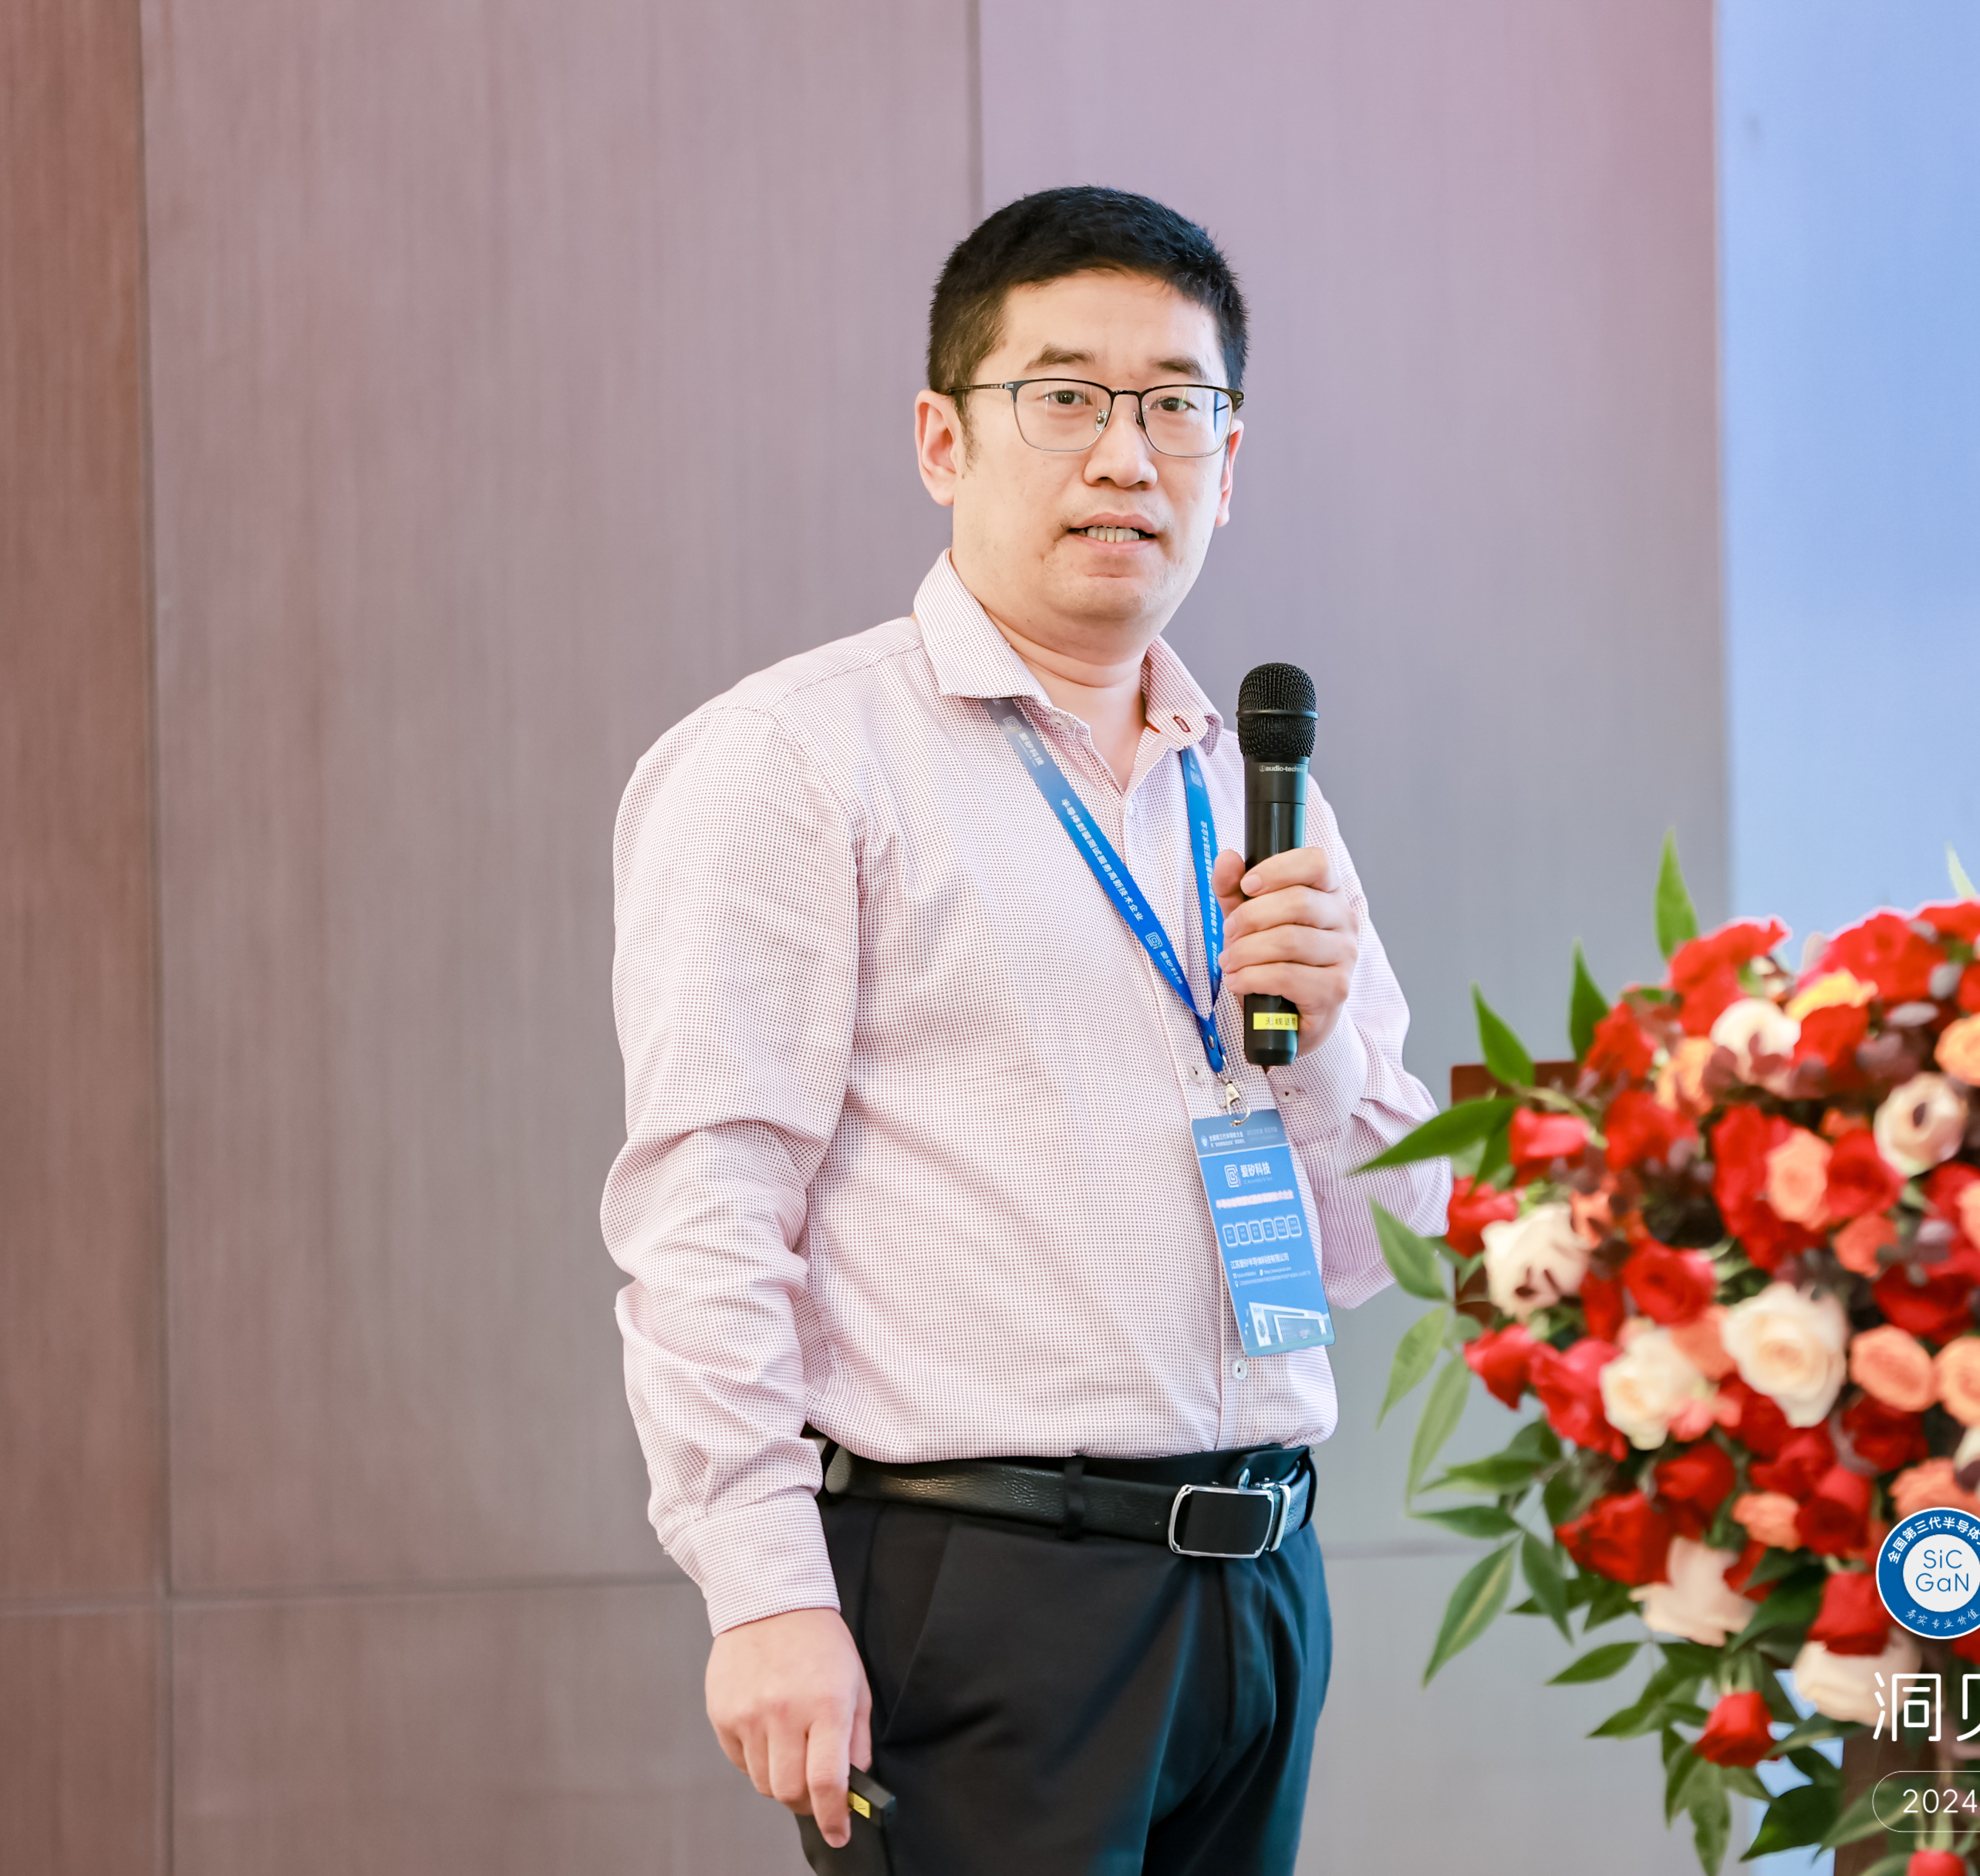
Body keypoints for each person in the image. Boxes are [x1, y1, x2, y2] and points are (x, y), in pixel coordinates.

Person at [602, 185, 1445, 1874]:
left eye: (1177, 407)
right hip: (985, 1590)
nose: (1127, 457)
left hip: (1261, 1578)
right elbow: (709, 1207)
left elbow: (1371, 1251)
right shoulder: (796, 760)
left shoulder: (1255, 783)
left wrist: (1333, 1051)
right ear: (943, 439)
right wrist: (762, 1589)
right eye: (1065, 398)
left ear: (1230, 460)